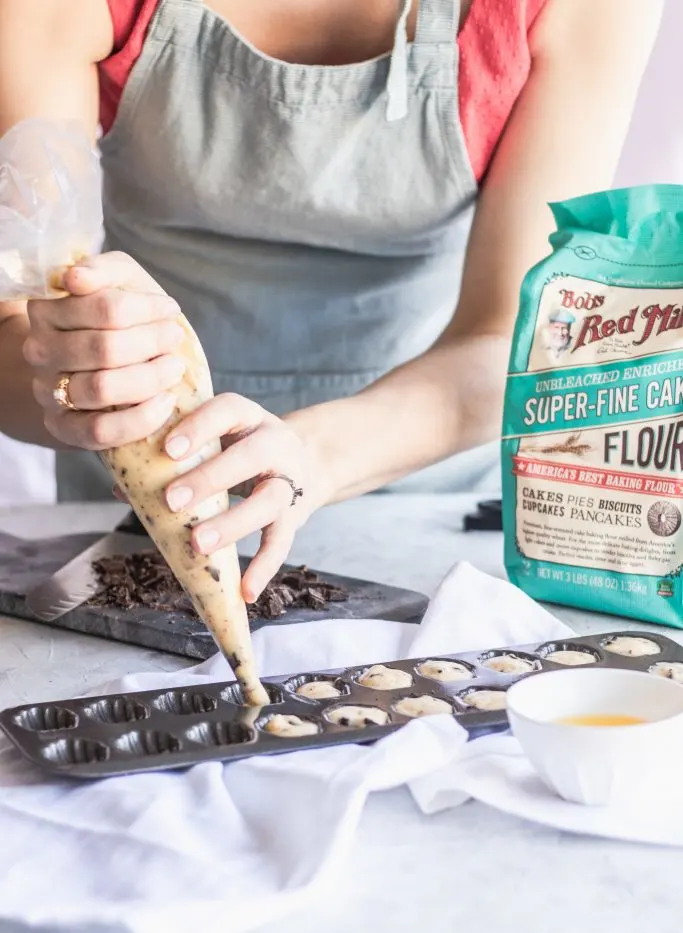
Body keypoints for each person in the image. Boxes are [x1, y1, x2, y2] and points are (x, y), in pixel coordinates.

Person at [0, 0, 662, 601]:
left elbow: (510, 340)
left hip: (429, 511)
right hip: (146, 514)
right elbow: (17, 322)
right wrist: (70, 376)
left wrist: (308, 455)